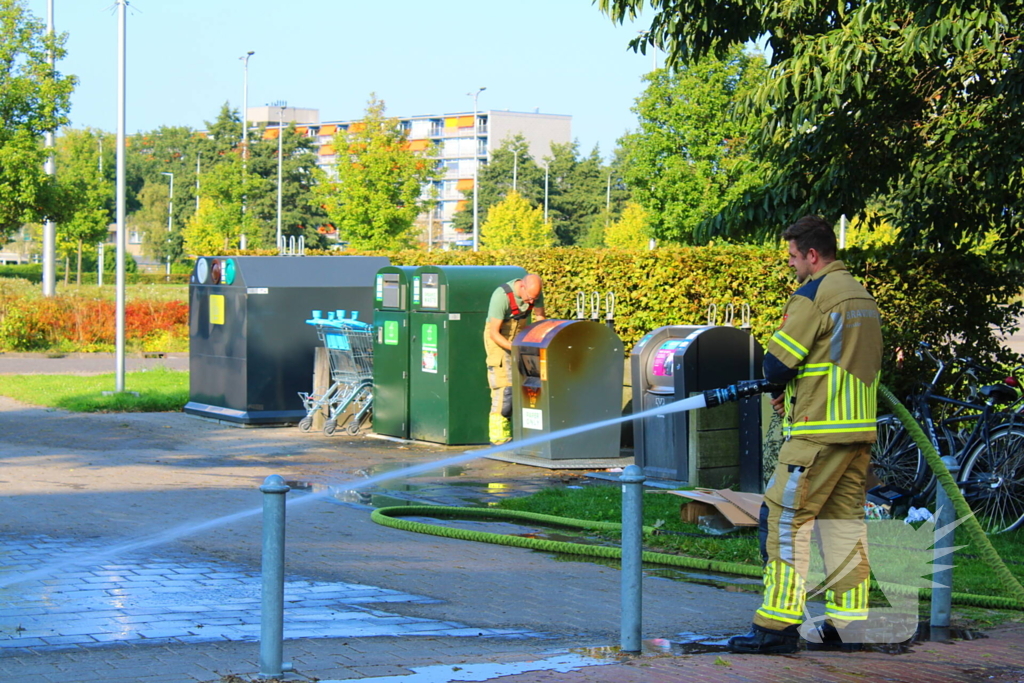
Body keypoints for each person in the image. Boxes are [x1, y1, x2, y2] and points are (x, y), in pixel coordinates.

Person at [728, 216, 883, 655]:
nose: (793, 265)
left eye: (794, 256)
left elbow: (777, 363)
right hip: (857, 434)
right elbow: (840, 362)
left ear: (812, 255)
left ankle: (775, 629)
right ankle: (849, 626)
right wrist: (795, 391)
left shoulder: (814, 295)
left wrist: (784, 387)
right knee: (845, 528)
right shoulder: (861, 295)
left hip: (816, 435)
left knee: (784, 523)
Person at [483, 273, 546, 444]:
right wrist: (515, 349)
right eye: (529, 298)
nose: (531, 303)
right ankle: (499, 439)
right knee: (505, 388)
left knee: (527, 384)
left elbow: (540, 320)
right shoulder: (501, 296)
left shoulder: (534, 294)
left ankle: (522, 435)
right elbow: (493, 332)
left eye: (535, 299)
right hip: (499, 338)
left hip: (520, 337)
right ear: (522, 287)